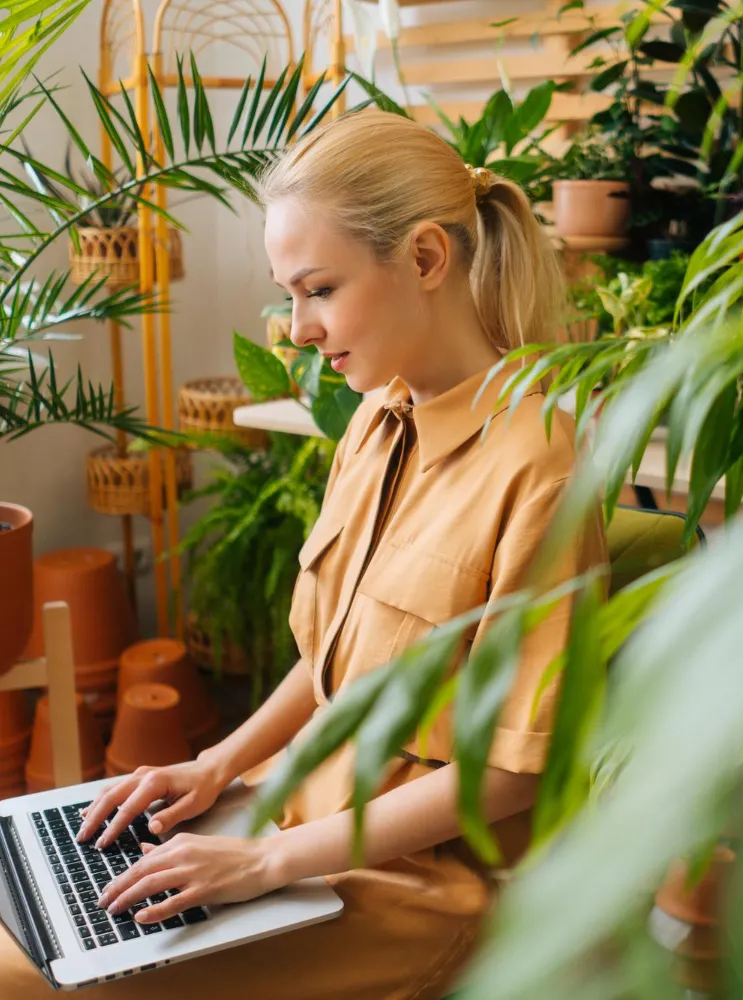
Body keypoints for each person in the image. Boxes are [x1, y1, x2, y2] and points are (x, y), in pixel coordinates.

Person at [0, 108, 608, 999]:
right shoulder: (373, 419)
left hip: (421, 886)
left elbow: (510, 778)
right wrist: (218, 766)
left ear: (428, 259)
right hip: (294, 826)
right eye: (290, 294)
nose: (296, 328)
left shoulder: (542, 469)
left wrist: (264, 862)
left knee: (21, 975)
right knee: (34, 895)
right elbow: (335, 668)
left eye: (318, 290)